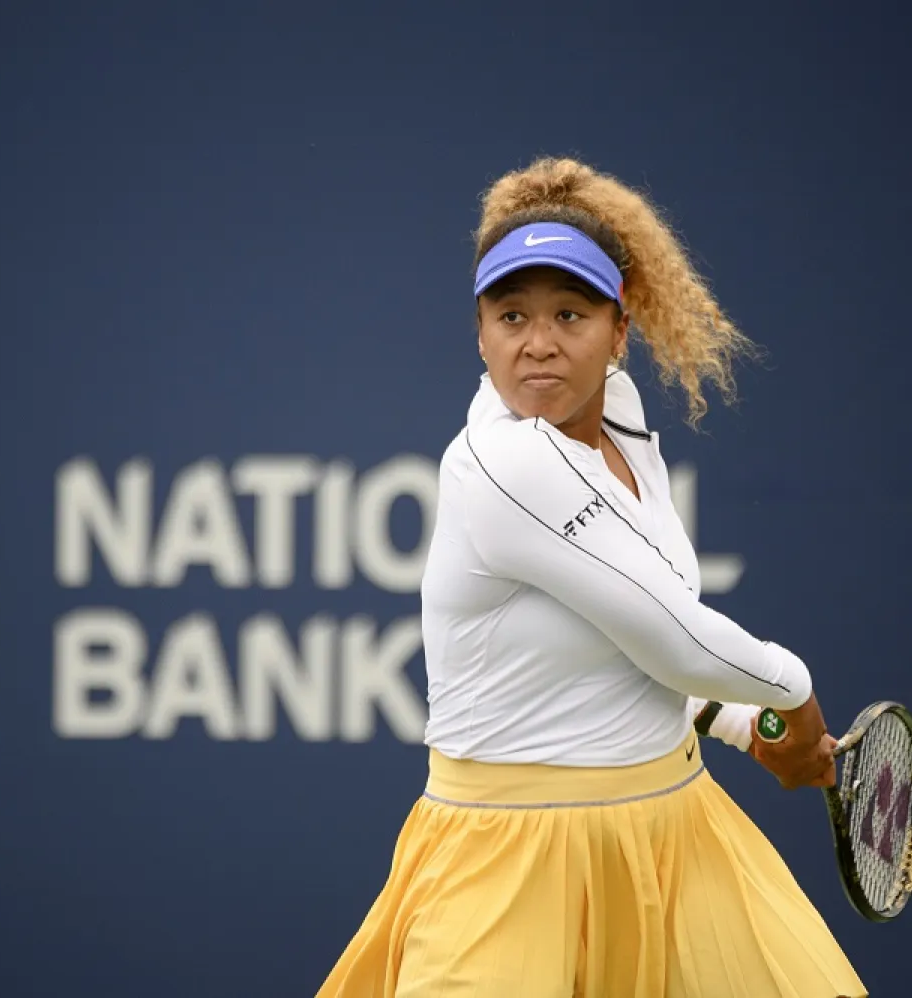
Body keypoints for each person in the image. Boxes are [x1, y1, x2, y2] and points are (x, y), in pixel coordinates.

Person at [314, 157, 865, 998]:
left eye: (569, 314)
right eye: (511, 316)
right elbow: (673, 637)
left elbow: (617, 640)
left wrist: (734, 723)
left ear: (618, 333)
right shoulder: (503, 462)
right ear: (480, 333)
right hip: (509, 861)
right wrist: (792, 697)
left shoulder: (621, 419)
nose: (538, 342)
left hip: (676, 833)